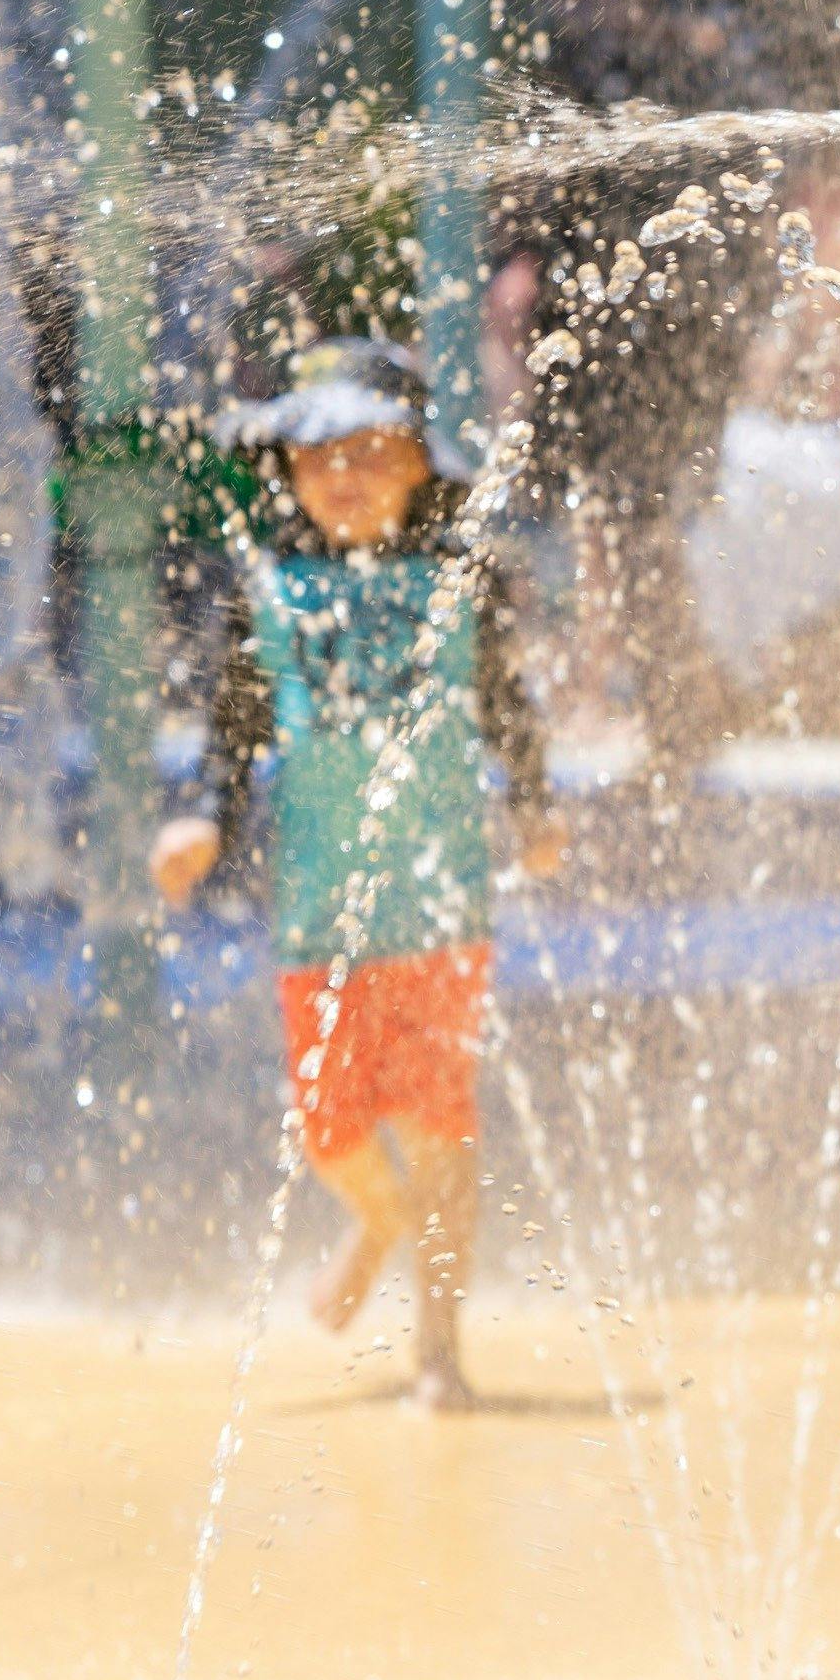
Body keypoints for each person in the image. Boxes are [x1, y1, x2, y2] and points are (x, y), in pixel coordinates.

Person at [153, 338, 564, 1409]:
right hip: (319, 913)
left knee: (439, 1128)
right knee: (331, 1130)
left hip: (441, 906)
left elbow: (510, 707)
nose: (344, 477)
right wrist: (201, 818)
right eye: (319, 456)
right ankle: (377, 1222)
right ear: (287, 470)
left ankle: (439, 1350)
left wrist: (532, 805)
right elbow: (229, 734)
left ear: (422, 464)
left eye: (371, 454)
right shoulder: (270, 589)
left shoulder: (456, 581)